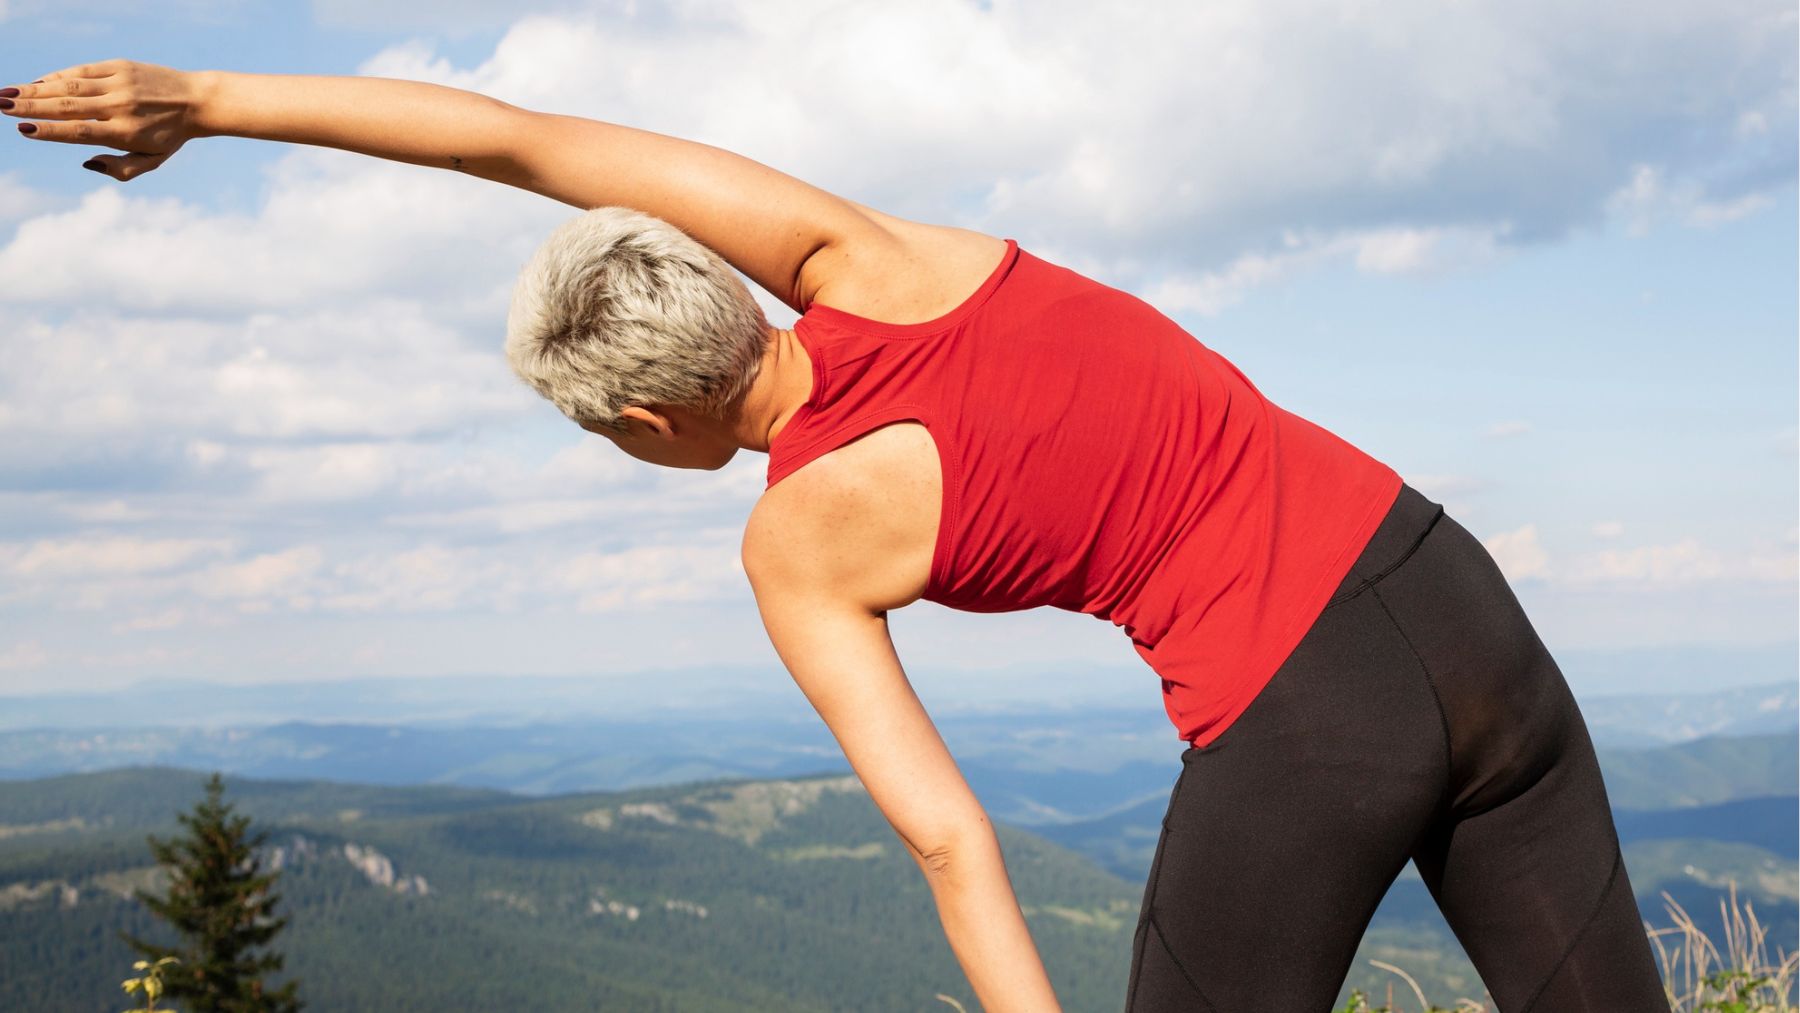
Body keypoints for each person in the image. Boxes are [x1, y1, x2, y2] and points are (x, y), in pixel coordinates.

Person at [4, 59, 1671, 1012]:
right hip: (1447, 588)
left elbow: (953, 844)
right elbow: (515, 142)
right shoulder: (867, 256)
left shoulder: (798, 542)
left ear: (643, 424)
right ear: (722, 286)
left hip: (1301, 720)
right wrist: (201, 99)